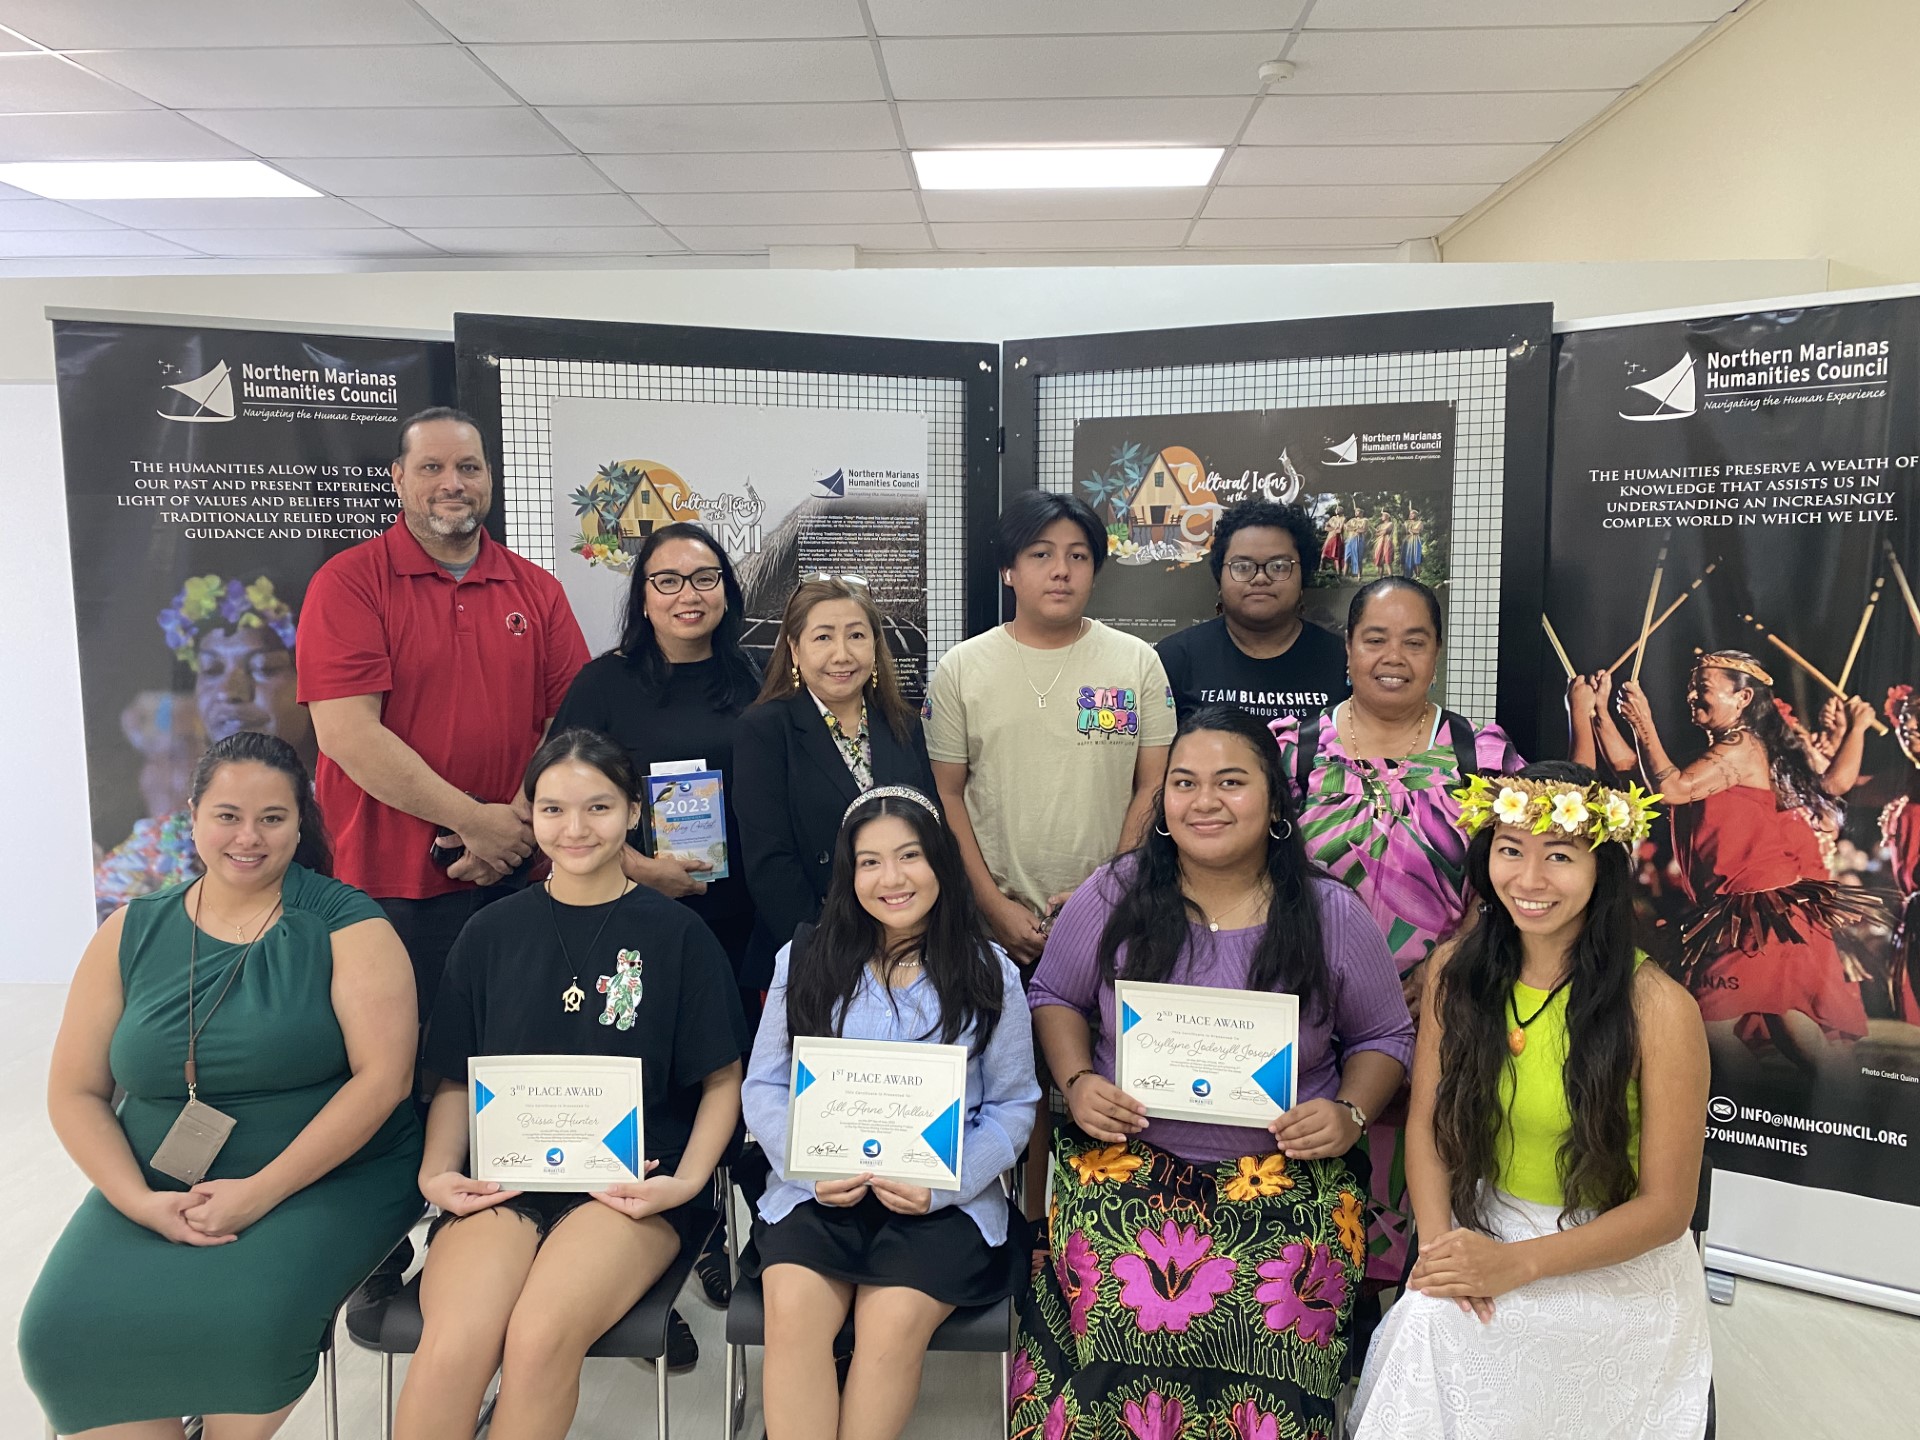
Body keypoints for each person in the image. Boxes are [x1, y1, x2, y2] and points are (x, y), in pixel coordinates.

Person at [1015, 706, 1413, 1439]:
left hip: (1287, 1177)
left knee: (1276, 1313)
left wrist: (1350, 1113)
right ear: (1162, 802)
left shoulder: (1330, 913)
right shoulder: (1114, 894)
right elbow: (1055, 997)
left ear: (1273, 801)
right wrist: (1076, 1081)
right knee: (1120, 1311)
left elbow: (1385, 1034)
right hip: (1125, 1167)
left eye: (1231, 782)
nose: (1205, 801)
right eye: (1185, 783)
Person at [21, 731, 422, 1438]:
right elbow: (75, 1092)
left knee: (248, 1322)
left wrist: (259, 1192)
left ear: (302, 822)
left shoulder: (348, 924)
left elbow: (384, 1082)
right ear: (193, 815)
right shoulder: (131, 929)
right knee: (60, 1329)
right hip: (154, 1178)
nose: (249, 837)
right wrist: (139, 1202)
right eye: (228, 815)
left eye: (273, 818)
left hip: (329, 1174)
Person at [395, 730, 746, 1437]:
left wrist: (686, 1184)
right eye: (553, 810)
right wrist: (437, 1171)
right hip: (504, 1180)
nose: (576, 829)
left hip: (631, 1188)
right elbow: (457, 1079)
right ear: (532, 819)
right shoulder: (490, 932)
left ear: (633, 816)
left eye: (598, 808)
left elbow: (721, 1080)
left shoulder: (679, 936)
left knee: (540, 1336)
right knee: (457, 1341)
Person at [1350, 762, 1713, 1438]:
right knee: (1432, 1317)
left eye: (1560, 856)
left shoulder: (1660, 1008)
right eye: (1510, 850)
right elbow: (1426, 1123)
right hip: (1489, 1223)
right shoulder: (1455, 974)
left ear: (1603, 866)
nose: (1530, 880)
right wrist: (1440, 1248)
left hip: (1613, 1255)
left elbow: (1668, 1209)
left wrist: (1520, 1265)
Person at [741, 786, 1038, 1440]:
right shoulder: (805, 959)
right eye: (869, 862)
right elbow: (763, 1086)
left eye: (910, 856)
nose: (892, 878)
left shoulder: (989, 971)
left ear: (940, 862)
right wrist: (806, 1165)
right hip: (817, 1191)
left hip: (943, 1205)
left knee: (889, 1327)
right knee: (792, 1317)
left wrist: (943, 1188)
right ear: (849, 875)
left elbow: (1016, 1107)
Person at [298, 406, 590, 1025]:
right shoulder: (348, 583)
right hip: (385, 886)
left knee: (515, 1064)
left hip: (520, 876)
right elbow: (348, 734)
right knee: (401, 1072)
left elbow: (569, 726)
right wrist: (474, 822)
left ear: (489, 479)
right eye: (432, 467)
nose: (452, 482)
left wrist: (510, 829)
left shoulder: (537, 591)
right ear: (399, 478)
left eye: (468, 466)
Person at [1270, 576, 1522, 1282]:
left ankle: (1409, 1342)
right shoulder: (1293, 753)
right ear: (1347, 649)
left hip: (1439, 1011)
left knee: (1421, 1186)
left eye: (1415, 641)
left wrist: (1450, 962)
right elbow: (1252, 869)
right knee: (1307, 1201)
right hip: (1309, 1012)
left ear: (1437, 653)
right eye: (1375, 638)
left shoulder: (1485, 759)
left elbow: (1521, 883)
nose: (1394, 656)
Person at [925, 489, 1174, 967]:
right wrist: (993, 907)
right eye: (1041, 554)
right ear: (1008, 571)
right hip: (989, 928)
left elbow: (1153, 785)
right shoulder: (961, 668)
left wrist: (1106, 895)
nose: (1061, 570)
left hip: (1112, 917)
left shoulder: (1138, 662)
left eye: (1078, 556)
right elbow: (948, 796)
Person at [1598, 652, 1880, 1074]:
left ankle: (1751, 1104)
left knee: (1706, 1024)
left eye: (1704, 687)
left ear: (1743, 697)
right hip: (1745, 908)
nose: (1691, 695)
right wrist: (1596, 711)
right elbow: (1634, 772)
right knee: (1785, 1023)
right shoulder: (1722, 751)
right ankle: (1843, 1098)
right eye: (1692, 686)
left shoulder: (1742, 746)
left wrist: (1643, 722)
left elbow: (1672, 788)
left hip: (1759, 909)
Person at [551, 521, 765, 999]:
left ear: (725, 591)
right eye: (668, 581)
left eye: (705, 578)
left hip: (750, 924)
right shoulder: (602, 685)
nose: (688, 595)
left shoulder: (760, 677)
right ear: (643, 599)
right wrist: (637, 869)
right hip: (637, 912)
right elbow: (559, 803)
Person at [735, 577, 937, 954]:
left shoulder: (902, 723)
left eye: (857, 636)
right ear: (795, 649)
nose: (842, 655)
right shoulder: (764, 730)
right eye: (823, 638)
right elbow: (771, 864)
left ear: (876, 646)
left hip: (907, 942)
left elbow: (932, 833)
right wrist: (831, 950)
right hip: (812, 947)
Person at [96, 573, 313, 919]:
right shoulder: (165, 843)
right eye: (211, 669)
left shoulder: (352, 819)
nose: (231, 691)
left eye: (264, 668)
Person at [1156, 498, 1349, 725]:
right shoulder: (1174, 659)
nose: (1260, 578)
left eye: (1278, 566)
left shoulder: (1342, 661)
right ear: (1220, 578)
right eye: (1242, 567)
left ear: (1303, 577)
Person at [1882, 685, 1920, 1023]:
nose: (1910, 725)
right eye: (1905, 717)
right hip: (1912, 915)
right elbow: (1839, 784)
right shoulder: (1906, 782)